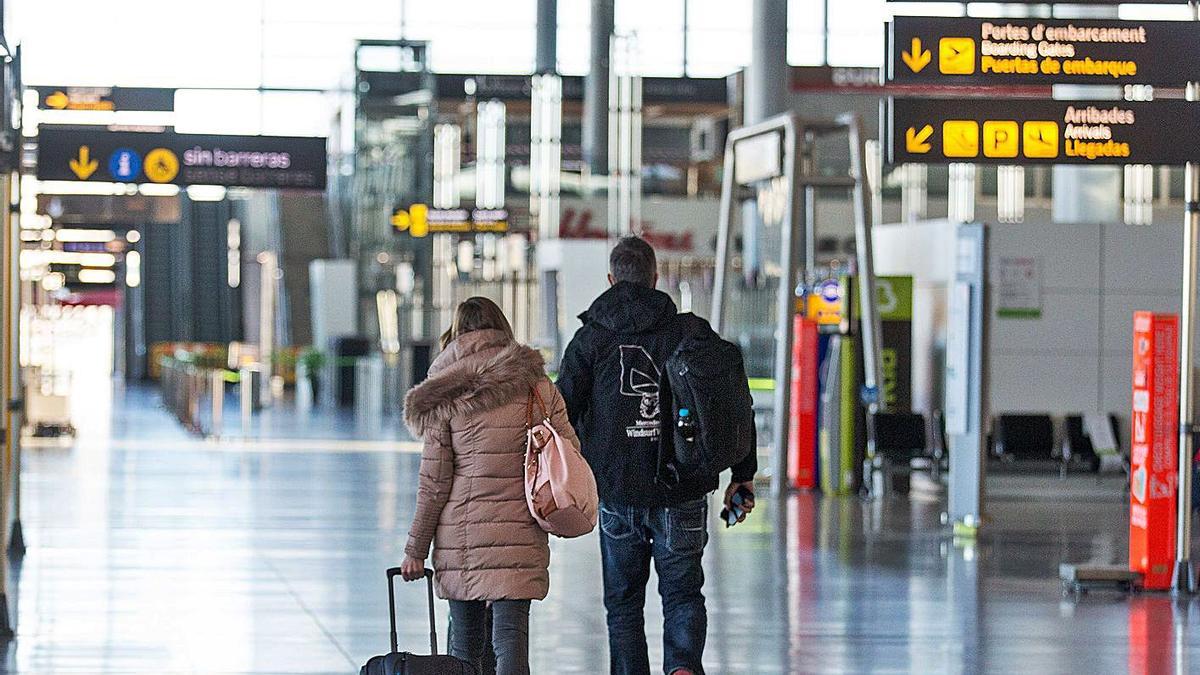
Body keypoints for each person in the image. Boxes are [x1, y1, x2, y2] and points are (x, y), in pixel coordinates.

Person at [557, 236, 758, 675]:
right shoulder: (690, 333)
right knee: (683, 595)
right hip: (681, 488)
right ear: (655, 278)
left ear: (611, 280)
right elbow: (734, 402)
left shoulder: (590, 339)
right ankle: (682, 669)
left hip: (616, 491)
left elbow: (561, 413)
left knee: (624, 605)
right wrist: (742, 474)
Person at [399, 296, 578, 675]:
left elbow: (434, 482)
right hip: (521, 531)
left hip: (461, 538)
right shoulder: (536, 386)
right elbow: (569, 451)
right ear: (501, 327)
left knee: (464, 648)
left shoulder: (443, 391)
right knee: (511, 639)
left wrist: (415, 549)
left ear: (458, 331)